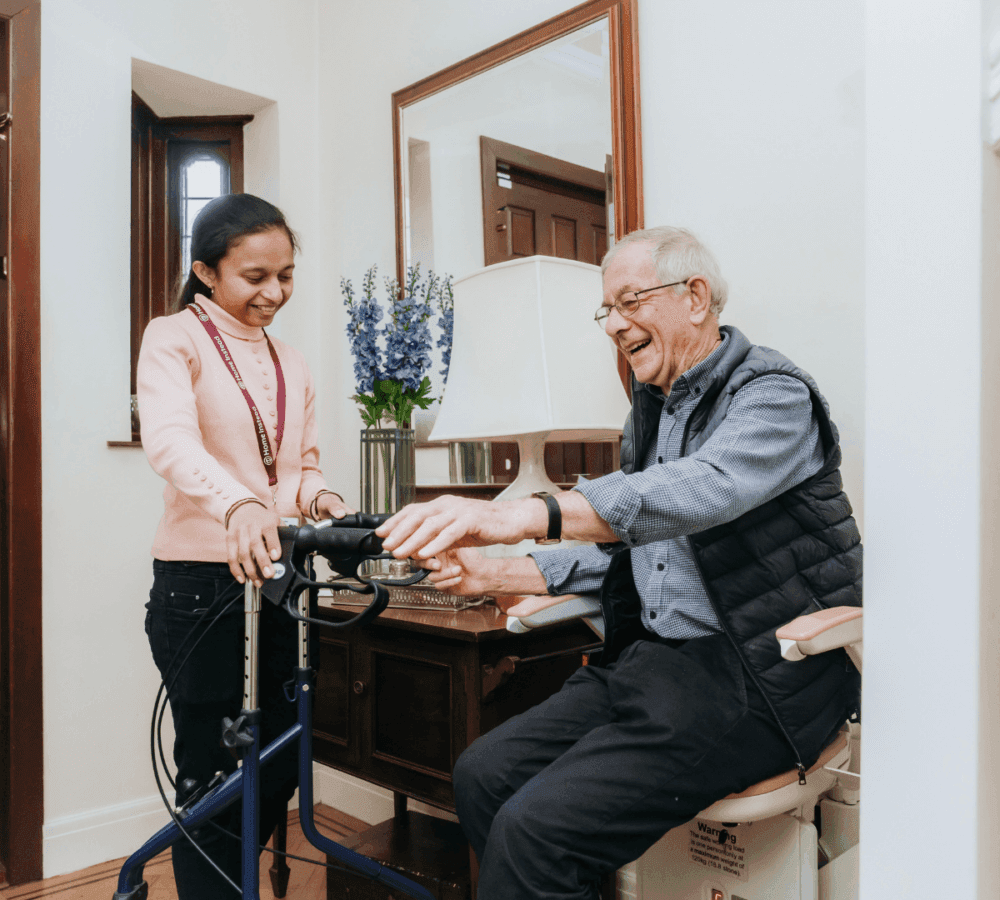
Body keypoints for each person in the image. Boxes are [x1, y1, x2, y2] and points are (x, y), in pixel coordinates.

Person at [376, 226, 862, 900]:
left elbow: (702, 491)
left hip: (754, 678)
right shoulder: (650, 413)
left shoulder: (772, 397)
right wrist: (498, 573)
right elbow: (645, 560)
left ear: (695, 297)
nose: (614, 324)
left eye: (630, 302)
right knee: (482, 773)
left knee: (536, 832)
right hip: (654, 664)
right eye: (607, 309)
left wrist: (526, 514)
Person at [137, 193, 353, 898]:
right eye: (254, 276)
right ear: (205, 271)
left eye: (285, 276)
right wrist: (240, 502)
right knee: (212, 774)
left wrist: (320, 498)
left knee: (283, 761)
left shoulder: (293, 360)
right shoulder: (172, 337)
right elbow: (169, 440)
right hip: (202, 591)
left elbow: (304, 462)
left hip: (284, 584)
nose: (274, 293)